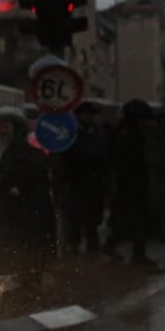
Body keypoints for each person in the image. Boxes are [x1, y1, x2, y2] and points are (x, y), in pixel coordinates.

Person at [0, 106, 56, 298]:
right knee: (23, 245)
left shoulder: (21, 150)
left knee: (26, 244)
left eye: (6, 126)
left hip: (25, 211)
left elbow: (28, 178)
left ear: (16, 128)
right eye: (1, 127)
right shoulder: (11, 149)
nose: (3, 131)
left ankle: (29, 281)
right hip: (20, 210)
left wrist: (16, 190)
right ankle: (27, 278)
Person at [103, 99, 156, 266]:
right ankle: (136, 254)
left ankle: (114, 246)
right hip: (128, 186)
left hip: (132, 185)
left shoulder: (130, 133)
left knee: (127, 221)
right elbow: (122, 162)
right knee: (134, 221)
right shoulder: (126, 135)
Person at [59, 100, 108, 255]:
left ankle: (92, 247)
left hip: (94, 185)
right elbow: (63, 161)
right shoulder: (71, 134)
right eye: (87, 114)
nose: (91, 118)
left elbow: (103, 158)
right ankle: (73, 247)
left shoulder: (98, 133)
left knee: (92, 221)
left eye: (93, 114)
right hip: (75, 184)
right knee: (74, 219)